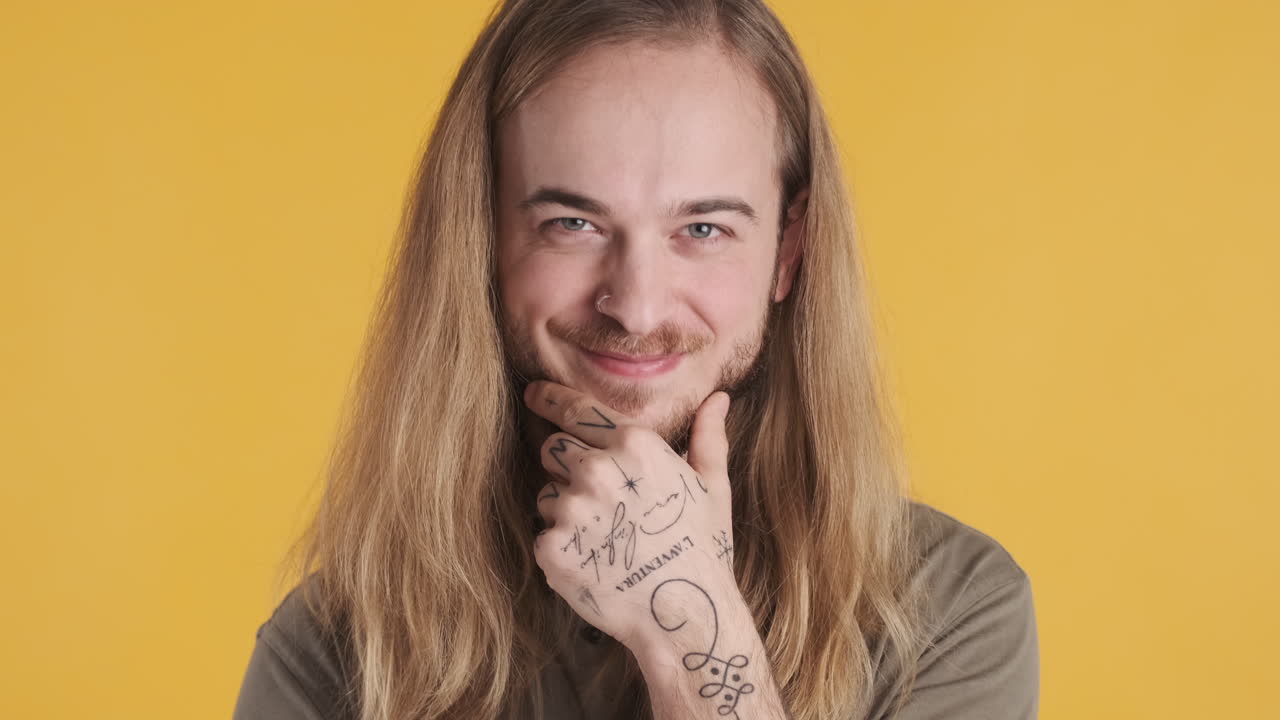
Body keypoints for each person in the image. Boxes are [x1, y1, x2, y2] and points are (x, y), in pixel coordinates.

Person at [232, 0, 1039, 718]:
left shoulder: (948, 614)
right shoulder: (333, 652)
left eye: (704, 229)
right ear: (481, 237)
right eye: (573, 224)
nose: (638, 307)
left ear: (789, 250)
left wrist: (688, 633)